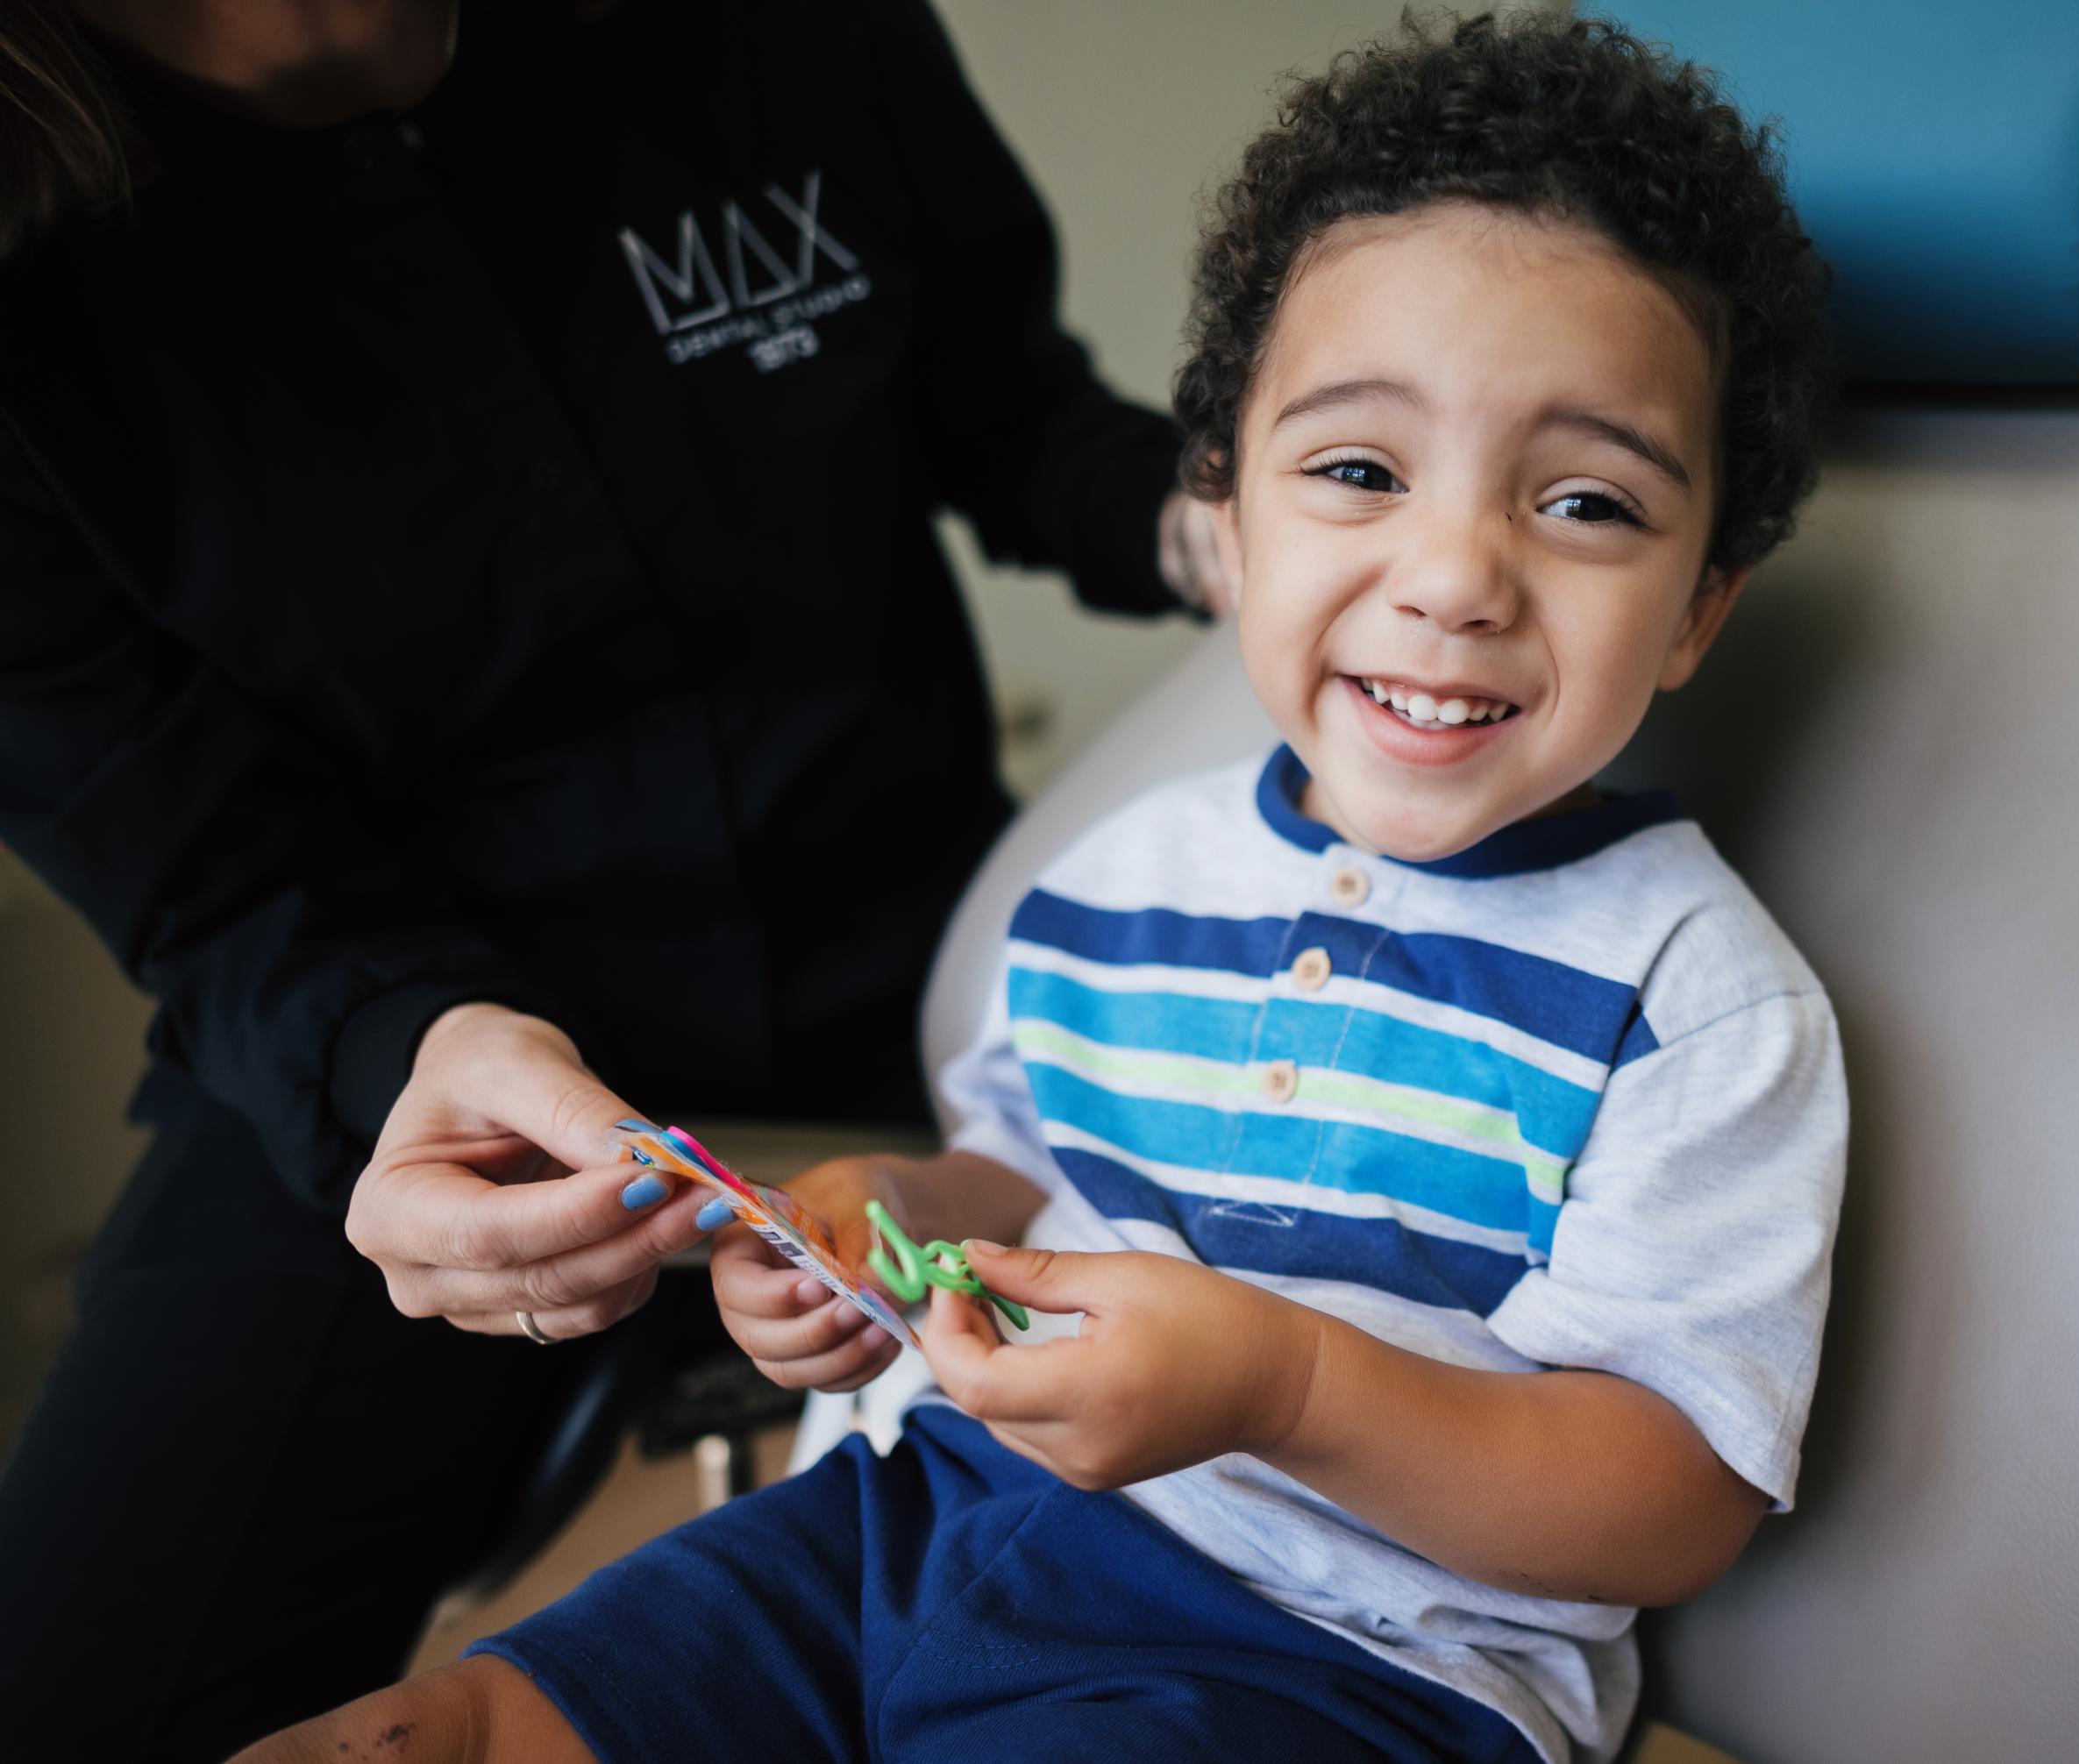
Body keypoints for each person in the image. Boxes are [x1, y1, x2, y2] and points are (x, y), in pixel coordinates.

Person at [250, 12, 1845, 1762]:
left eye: (1588, 503)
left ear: (1701, 605)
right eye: (1361, 471)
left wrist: (1280, 1383)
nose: (1455, 574)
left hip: (1327, 1655)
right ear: (1227, 525)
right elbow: (1016, 1171)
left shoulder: (1694, 998)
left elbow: (1672, 1499)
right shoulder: (1119, 877)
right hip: (901, 1527)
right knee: (428, 1732)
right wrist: (888, 1213)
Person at [0, 0, 1226, 1755]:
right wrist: (404, 1056)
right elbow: (206, 877)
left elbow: (1009, 407)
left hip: (930, 991)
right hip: (406, 1073)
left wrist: (1233, 519)